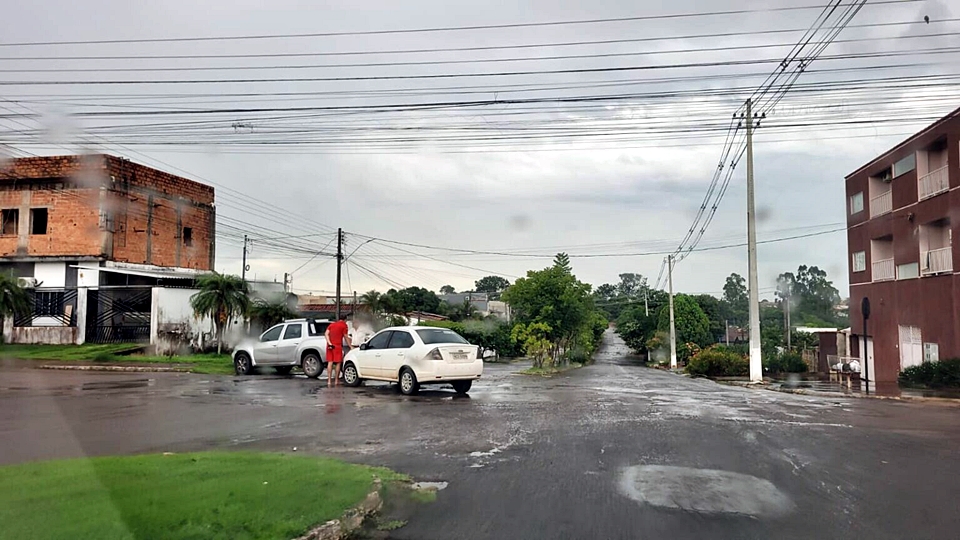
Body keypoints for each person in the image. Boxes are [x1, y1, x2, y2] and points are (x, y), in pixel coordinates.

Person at [324, 315, 349, 387]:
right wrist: (350, 346)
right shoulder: (344, 326)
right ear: (345, 320)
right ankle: (336, 380)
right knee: (338, 363)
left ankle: (329, 380)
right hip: (337, 346)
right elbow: (346, 337)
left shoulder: (332, 325)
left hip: (330, 346)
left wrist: (329, 343)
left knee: (330, 362)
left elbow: (326, 334)